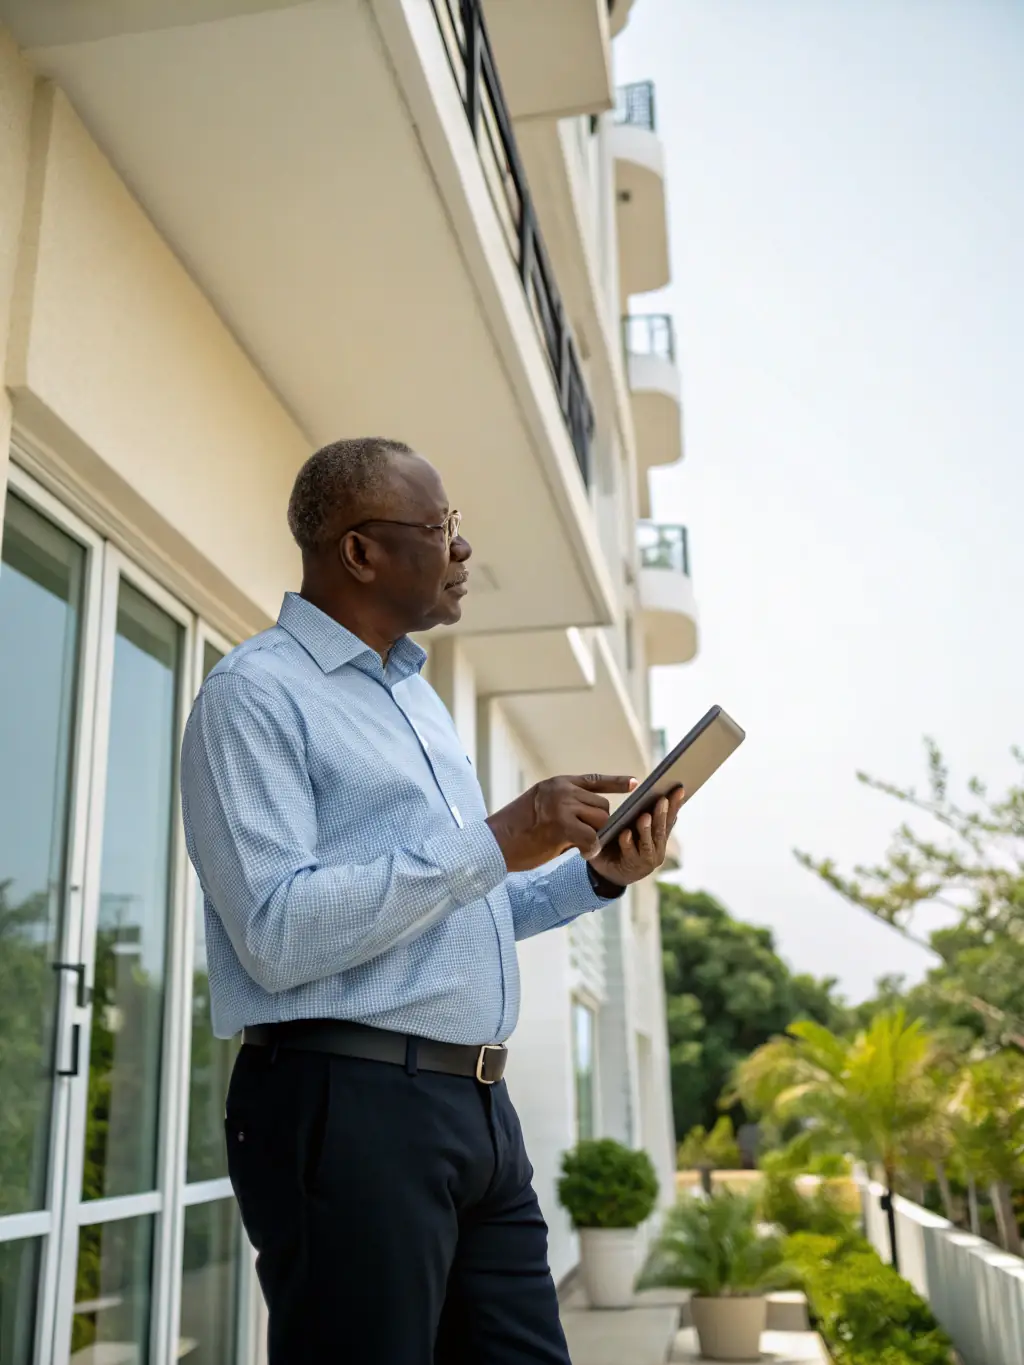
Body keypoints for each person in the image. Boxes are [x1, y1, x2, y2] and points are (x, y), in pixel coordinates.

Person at [180, 437, 684, 1364]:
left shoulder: (420, 704)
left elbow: (461, 906)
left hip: (479, 1113)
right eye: (442, 527)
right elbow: (275, 932)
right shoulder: (253, 697)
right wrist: (492, 840)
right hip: (349, 1104)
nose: (462, 551)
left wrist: (599, 874)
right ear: (360, 551)